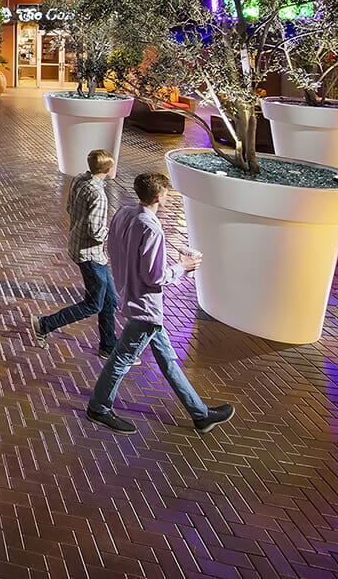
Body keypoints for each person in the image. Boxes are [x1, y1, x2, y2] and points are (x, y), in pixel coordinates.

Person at [85, 172, 235, 435]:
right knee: (121, 359)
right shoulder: (151, 227)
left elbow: (116, 249)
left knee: (167, 360)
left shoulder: (123, 213)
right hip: (146, 308)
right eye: (166, 193)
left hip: (131, 297)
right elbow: (154, 277)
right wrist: (183, 267)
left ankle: (200, 414)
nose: (168, 197)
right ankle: (98, 407)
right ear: (158, 196)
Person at [30, 149, 121, 357]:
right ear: (108, 169)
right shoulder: (99, 194)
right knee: (93, 304)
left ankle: (108, 346)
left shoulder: (80, 179)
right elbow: (96, 231)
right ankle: (45, 324)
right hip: (91, 254)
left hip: (81, 247)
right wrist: (111, 232)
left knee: (110, 300)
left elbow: (70, 207)